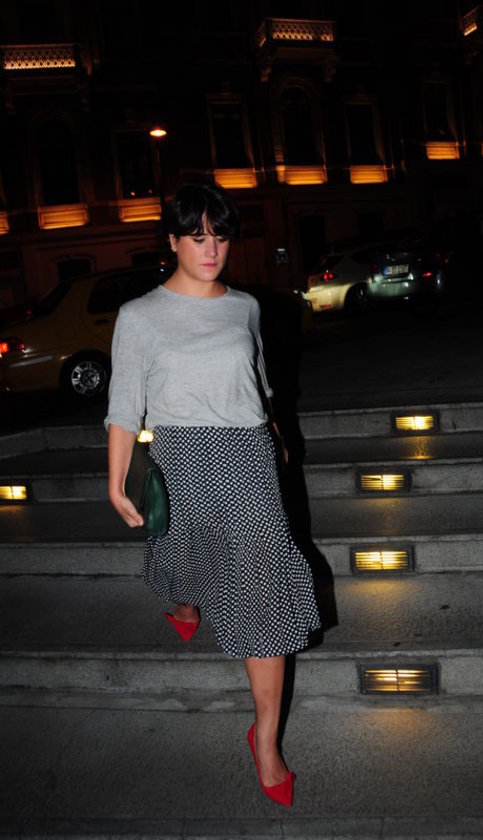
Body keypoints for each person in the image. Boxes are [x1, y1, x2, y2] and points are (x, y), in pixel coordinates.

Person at [105, 182, 320, 808]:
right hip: (182, 459)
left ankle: (265, 742)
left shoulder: (244, 307)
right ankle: (184, 602)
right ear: (172, 241)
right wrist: (115, 478)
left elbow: (258, 378)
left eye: (221, 236)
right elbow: (124, 406)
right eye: (197, 236)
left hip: (248, 460)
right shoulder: (139, 316)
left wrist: (273, 433)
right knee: (186, 557)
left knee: (262, 592)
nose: (211, 249)